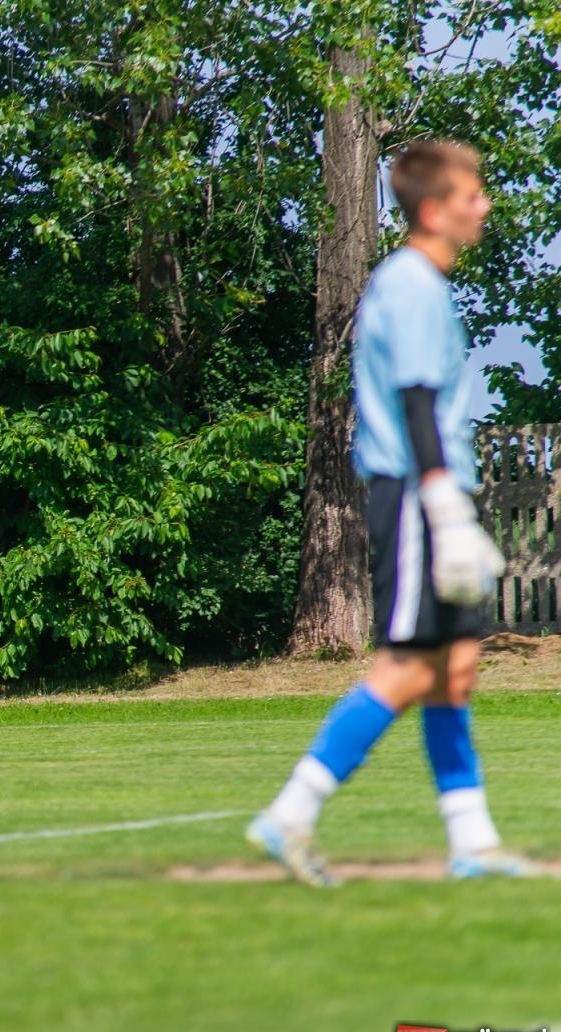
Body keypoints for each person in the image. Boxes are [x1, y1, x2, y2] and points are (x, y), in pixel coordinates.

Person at [247, 140, 529, 885]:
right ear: (434, 210)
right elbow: (411, 400)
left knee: (457, 666)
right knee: (407, 667)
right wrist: (441, 501)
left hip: (433, 490)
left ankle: (472, 840)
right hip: (412, 493)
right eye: (474, 194)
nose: (485, 205)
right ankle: (292, 812)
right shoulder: (408, 282)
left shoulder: (428, 283)